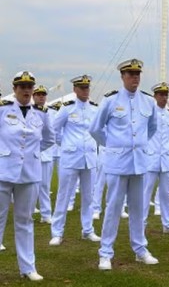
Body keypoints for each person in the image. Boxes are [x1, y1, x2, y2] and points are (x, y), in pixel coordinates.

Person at [89, 58, 159, 270]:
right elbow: (95, 129)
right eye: (130, 74)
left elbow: (152, 128)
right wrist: (112, 146)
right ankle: (105, 253)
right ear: (122, 76)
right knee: (113, 208)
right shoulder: (110, 101)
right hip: (117, 164)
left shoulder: (148, 101)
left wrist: (139, 145)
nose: (134, 78)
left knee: (139, 209)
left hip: (139, 163)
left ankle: (140, 249)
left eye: (137, 74)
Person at [0, 71, 55, 281]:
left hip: (30, 173)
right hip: (3, 171)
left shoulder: (40, 113)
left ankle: (28, 268)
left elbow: (50, 139)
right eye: (21, 87)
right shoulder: (3, 110)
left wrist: (31, 154)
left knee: (25, 220)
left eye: (29, 87)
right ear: (14, 89)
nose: (26, 90)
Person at [50, 75, 101, 246]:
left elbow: (99, 130)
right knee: (63, 196)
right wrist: (66, 145)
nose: (85, 91)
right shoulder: (67, 108)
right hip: (70, 158)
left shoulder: (95, 109)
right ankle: (57, 232)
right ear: (75, 90)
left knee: (89, 196)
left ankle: (88, 230)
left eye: (87, 88)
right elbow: (54, 131)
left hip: (89, 158)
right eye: (82, 88)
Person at [143, 82, 169, 235]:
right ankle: (142, 223)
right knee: (146, 193)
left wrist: (168, 146)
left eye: (166, 95)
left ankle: (168, 224)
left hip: (166, 158)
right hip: (150, 158)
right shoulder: (148, 114)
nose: (164, 97)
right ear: (155, 96)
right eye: (161, 94)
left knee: (166, 193)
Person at [32, 85, 53, 225]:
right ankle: (29, 212)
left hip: (45, 154)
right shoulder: (28, 111)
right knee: (30, 186)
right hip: (30, 155)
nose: (41, 97)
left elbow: (51, 135)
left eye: (43, 94)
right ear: (33, 96)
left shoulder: (50, 112)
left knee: (45, 186)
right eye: (38, 94)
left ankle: (46, 214)